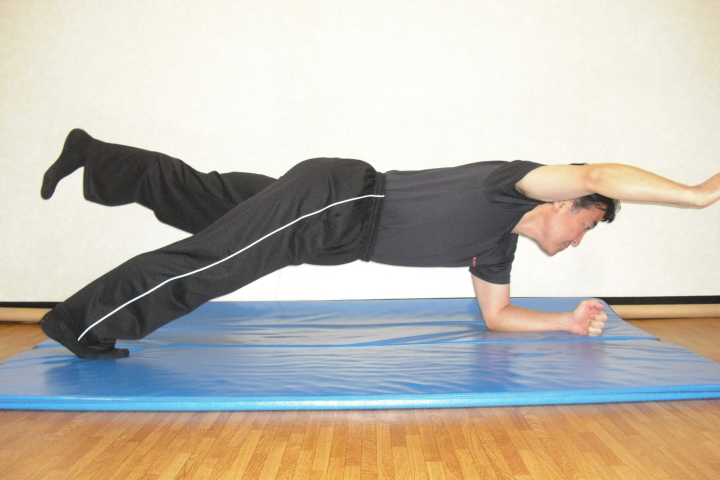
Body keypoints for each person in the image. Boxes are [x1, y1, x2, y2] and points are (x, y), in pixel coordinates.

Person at [38, 129, 720, 359]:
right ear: (566, 203)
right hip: (338, 204)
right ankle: (82, 322)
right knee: (215, 262)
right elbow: (598, 172)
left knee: (203, 197)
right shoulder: (513, 186)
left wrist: (564, 322)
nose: (578, 240)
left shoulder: (496, 245)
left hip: (330, 217)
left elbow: (498, 317)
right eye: (587, 225)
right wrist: (693, 194)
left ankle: (96, 156)